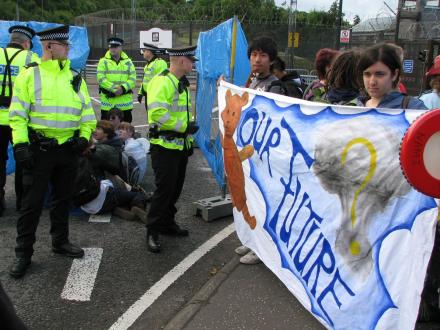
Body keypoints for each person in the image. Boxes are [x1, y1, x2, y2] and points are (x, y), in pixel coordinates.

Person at [8, 25, 97, 278]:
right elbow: (17, 115)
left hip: (68, 150)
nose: (69, 49)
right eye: (65, 46)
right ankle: (23, 253)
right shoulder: (30, 75)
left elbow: (87, 114)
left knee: (62, 199)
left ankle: (60, 242)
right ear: (49, 47)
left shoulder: (74, 77)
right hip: (39, 151)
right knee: (31, 204)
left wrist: (83, 137)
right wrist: (21, 145)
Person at [145, 46, 199, 253]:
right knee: (164, 190)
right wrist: (185, 127)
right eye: (191, 60)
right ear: (181, 61)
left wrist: (188, 133)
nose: (193, 64)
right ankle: (152, 230)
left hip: (179, 146)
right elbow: (158, 113)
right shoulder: (162, 81)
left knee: (174, 189)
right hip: (164, 147)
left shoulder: (180, 84)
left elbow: (181, 113)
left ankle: (167, 223)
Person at [235, 37, 284, 265]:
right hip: (249, 151)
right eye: (254, 54)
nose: (257, 59)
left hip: (265, 154)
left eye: (262, 55)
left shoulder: (275, 85)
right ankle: (251, 240)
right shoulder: (252, 81)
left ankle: (261, 249)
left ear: (271, 59)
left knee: (263, 202)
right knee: (250, 198)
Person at [0, 25, 40, 216]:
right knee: (23, 162)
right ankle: (22, 203)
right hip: (19, 121)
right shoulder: (31, 58)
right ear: (26, 43)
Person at [357, 43, 426, 109]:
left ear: (395, 74)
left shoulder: (415, 108)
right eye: (367, 74)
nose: (372, 82)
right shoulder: (354, 107)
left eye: (379, 74)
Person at [97, 37, 136, 122]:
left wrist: (122, 88)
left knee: (125, 131)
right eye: (111, 47)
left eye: (115, 46)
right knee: (107, 131)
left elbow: (133, 79)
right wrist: (114, 89)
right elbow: (100, 78)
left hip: (125, 105)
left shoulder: (128, 62)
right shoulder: (103, 61)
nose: (112, 49)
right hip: (108, 104)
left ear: (121, 47)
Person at [137, 43, 168, 109]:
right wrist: (141, 93)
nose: (143, 53)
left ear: (149, 52)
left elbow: (162, 81)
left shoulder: (160, 63)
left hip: (155, 95)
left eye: (144, 51)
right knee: (150, 116)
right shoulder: (148, 65)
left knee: (155, 116)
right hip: (148, 95)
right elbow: (145, 80)